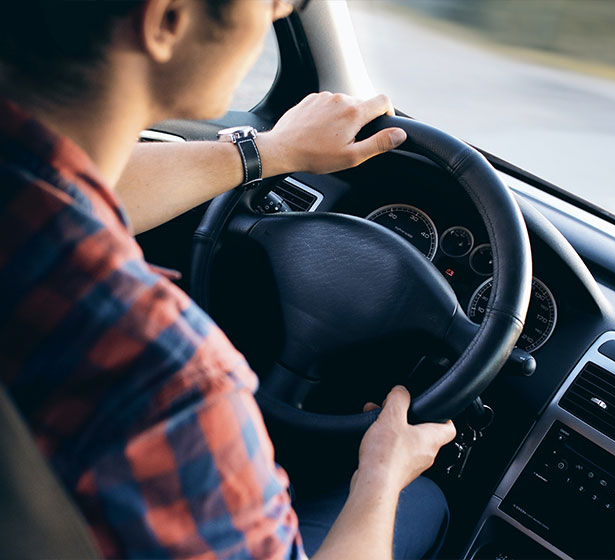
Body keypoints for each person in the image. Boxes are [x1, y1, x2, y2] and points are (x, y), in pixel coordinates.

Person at [0, 1, 456, 559]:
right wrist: (381, 475)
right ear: (167, 19)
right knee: (421, 500)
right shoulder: (169, 382)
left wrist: (273, 151)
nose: (283, 7)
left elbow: (77, 188)